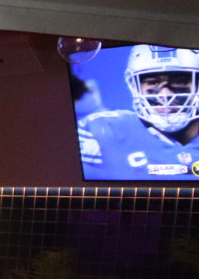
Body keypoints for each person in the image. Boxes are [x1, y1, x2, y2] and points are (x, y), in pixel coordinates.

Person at [78, 44, 199, 180]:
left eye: (179, 81)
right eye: (152, 82)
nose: (165, 94)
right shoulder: (101, 130)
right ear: (134, 86)